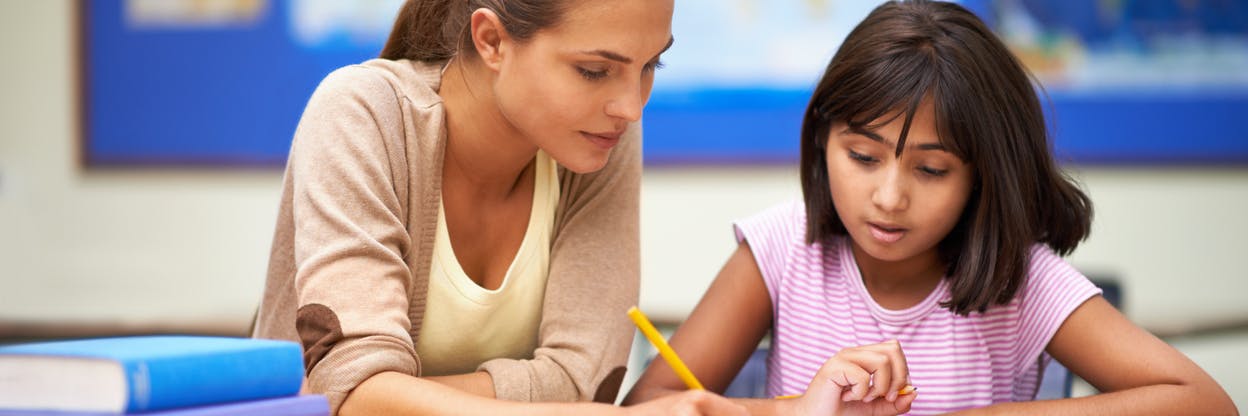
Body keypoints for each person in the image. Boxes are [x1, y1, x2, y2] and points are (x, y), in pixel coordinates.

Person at [622, 1, 1238, 415]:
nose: (889, 197)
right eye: (862, 157)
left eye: (932, 169)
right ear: (822, 141)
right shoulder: (786, 246)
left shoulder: (1019, 280)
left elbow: (1204, 402)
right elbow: (650, 407)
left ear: (983, 174)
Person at [252, 0, 745, 415]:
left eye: (650, 67)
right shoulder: (363, 112)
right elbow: (356, 395)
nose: (631, 107)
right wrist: (362, 392)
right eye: (594, 71)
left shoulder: (602, 136)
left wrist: (389, 392)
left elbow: (586, 383)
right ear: (491, 40)